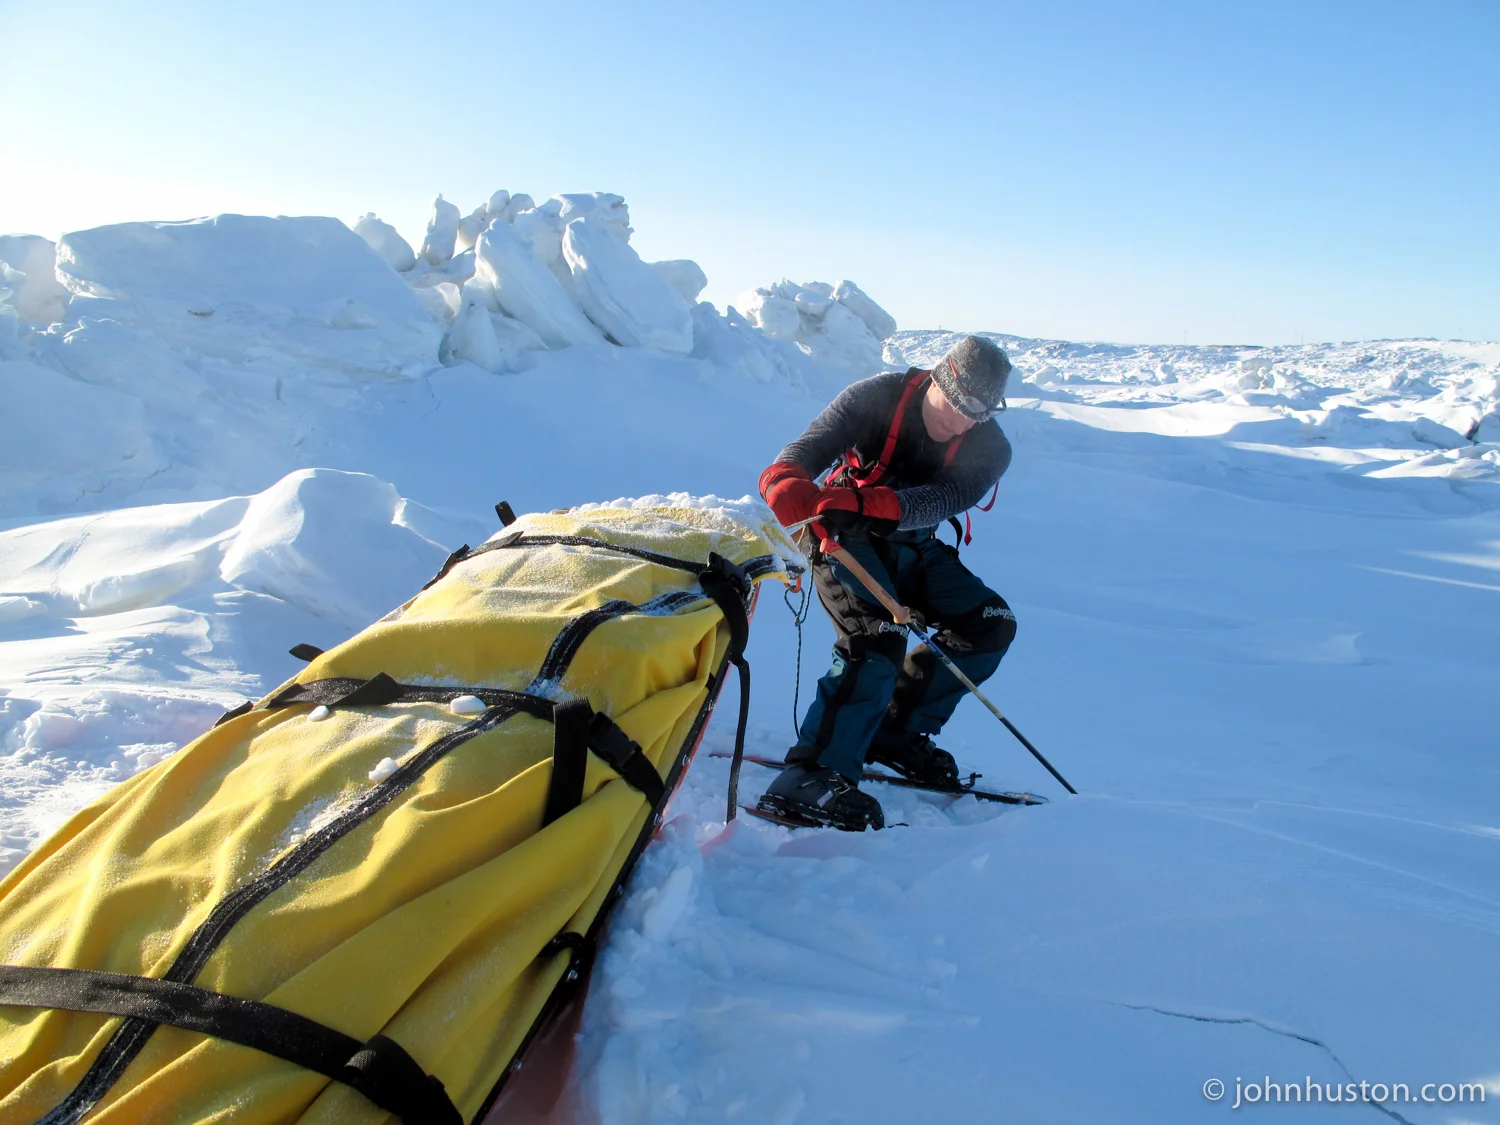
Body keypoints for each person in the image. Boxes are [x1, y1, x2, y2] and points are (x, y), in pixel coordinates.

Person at [757, 335, 1018, 830]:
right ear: (940, 376)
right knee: (876, 637)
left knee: (990, 624)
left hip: (909, 539)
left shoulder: (991, 446)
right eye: (958, 402)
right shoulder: (877, 396)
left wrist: (880, 507)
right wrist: (785, 479)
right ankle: (811, 774)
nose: (962, 419)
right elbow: (808, 449)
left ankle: (893, 730)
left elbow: (945, 496)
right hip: (837, 533)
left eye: (979, 412)